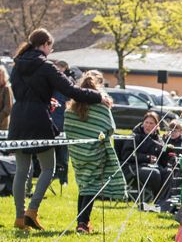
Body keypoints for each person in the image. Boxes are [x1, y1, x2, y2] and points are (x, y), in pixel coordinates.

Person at [8, 28, 108, 231]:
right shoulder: (46, 66)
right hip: (38, 121)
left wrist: (44, 100)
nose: (50, 51)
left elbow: (23, 92)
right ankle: (32, 211)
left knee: (21, 170)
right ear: (45, 45)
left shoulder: (16, 65)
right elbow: (71, 90)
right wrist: (99, 97)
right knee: (48, 168)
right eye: (50, 47)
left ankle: (20, 216)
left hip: (18, 118)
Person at [64, 70, 127, 233]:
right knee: (91, 186)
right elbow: (110, 127)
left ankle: (81, 220)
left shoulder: (72, 106)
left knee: (84, 185)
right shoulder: (101, 105)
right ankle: (83, 223)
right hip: (95, 151)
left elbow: (68, 128)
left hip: (77, 152)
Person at [131, 111, 174, 202]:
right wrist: (147, 158)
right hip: (135, 167)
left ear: (156, 126)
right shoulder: (135, 136)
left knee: (168, 171)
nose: (148, 125)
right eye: (146, 122)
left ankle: (161, 201)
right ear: (143, 123)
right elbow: (129, 155)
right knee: (155, 173)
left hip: (154, 166)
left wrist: (169, 153)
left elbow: (161, 159)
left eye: (151, 123)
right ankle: (155, 197)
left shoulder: (158, 139)